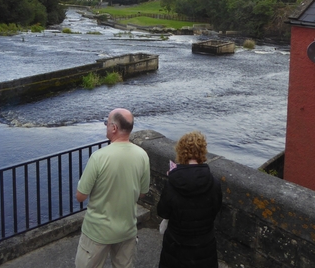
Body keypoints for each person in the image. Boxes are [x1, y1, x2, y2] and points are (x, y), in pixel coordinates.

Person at [75, 108, 150, 268]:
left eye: (106, 124)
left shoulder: (99, 157)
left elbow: (80, 196)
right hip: (127, 229)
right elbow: (143, 193)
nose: (106, 127)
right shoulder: (142, 155)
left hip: (97, 231)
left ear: (114, 128)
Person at [157, 131, 222, 268]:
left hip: (176, 246)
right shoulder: (214, 183)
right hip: (204, 247)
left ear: (181, 151)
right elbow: (215, 211)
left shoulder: (173, 182)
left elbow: (163, 212)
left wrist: (173, 178)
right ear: (202, 151)